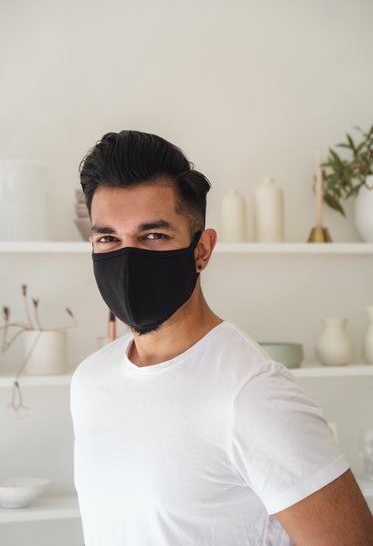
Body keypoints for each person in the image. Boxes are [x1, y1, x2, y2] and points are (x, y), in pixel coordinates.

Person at [71, 130, 373, 546]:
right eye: (108, 238)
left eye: (153, 236)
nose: (127, 258)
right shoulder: (90, 381)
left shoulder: (254, 394)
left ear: (202, 251)